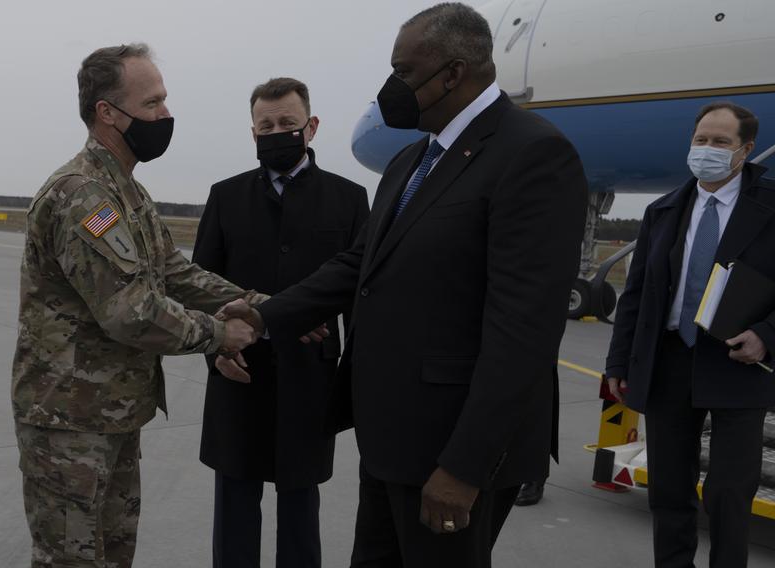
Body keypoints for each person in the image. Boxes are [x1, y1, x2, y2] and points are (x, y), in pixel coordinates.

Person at [216, 4, 588, 566]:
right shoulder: (412, 161)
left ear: (452, 74)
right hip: (391, 441)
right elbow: (356, 266)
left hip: (451, 451)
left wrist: (465, 466)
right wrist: (263, 317)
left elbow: (524, 331)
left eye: (403, 71)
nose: (391, 87)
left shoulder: (531, 154)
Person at [11, 43, 263, 568]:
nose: (165, 115)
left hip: (113, 416)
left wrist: (260, 305)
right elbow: (130, 311)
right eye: (151, 104)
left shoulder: (128, 192)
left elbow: (175, 272)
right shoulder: (84, 195)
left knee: (115, 555)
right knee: (72, 561)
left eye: (164, 101)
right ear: (108, 112)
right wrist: (220, 334)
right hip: (70, 423)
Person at [604, 101, 775, 567]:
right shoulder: (664, 210)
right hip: (669, 359)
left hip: (738, 362)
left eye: (720, 142)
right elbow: (636, 295)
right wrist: (618, 363)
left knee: (730, 491)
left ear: (745, 150)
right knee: (669, 488)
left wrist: (769, 335)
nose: (707, 150)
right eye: (700, 140)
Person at [193, 77, 369, 568]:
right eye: (265, 125)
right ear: (252, 133)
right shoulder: (225, 196)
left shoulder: (350, 199)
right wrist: (216, 352)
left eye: (287, 124)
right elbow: (196, 286)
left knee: (299, 508)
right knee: (234, 507)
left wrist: (356, 385)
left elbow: (360, 302)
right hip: (238, 372)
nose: (276, 132)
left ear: (311, 127)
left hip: (309, 379)